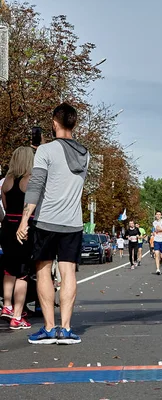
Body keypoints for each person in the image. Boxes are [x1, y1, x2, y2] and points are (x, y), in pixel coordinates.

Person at [17, 103, 89, 345]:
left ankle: (49, 328)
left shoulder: (45, 151)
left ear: (54, 123)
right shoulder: (85, 154)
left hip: (47, 220)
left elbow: (36, 185)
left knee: (43, 270)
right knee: (68, 272)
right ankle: (66, 329)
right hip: (73, 222)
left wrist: (24, 220)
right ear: (74, 124)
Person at [1, 147, 35, 329]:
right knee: (23, 272)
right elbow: (32, 207)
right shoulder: (30, 181)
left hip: (8, 226)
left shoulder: (7, 181)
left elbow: (6, 207)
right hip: (24, 227)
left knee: (9, 268)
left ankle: (7, 305)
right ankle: (17, 316)